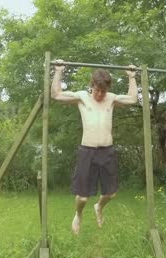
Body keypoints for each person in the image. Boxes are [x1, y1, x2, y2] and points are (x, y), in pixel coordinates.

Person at [51, 60, 138, 234]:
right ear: (92, 85)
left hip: (107, 151)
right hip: (87, 152)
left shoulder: (111, 99)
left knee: (111, 194)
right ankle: (78, 214)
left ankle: (99, 207)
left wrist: (132, 77)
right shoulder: (82, 97)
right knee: (82, 198)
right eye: (97, 90)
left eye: (103, 91)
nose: (99, 94)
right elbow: (56, 95)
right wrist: (59, 71)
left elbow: (133, 98)